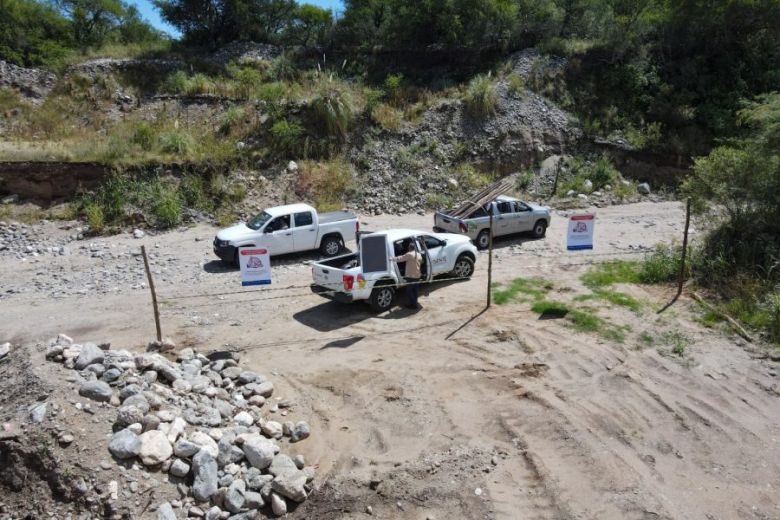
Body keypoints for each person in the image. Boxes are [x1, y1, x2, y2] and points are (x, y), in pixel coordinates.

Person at [392, 241, 423, 309]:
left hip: (411, 276)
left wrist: (392, 259)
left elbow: (400, 258)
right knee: (415, 291)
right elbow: (421, 262)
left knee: (409, 291)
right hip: (417, 275)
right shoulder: (418, 254)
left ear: (409, 248)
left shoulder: (409, 254)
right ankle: (415, 303)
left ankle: (412, 305)